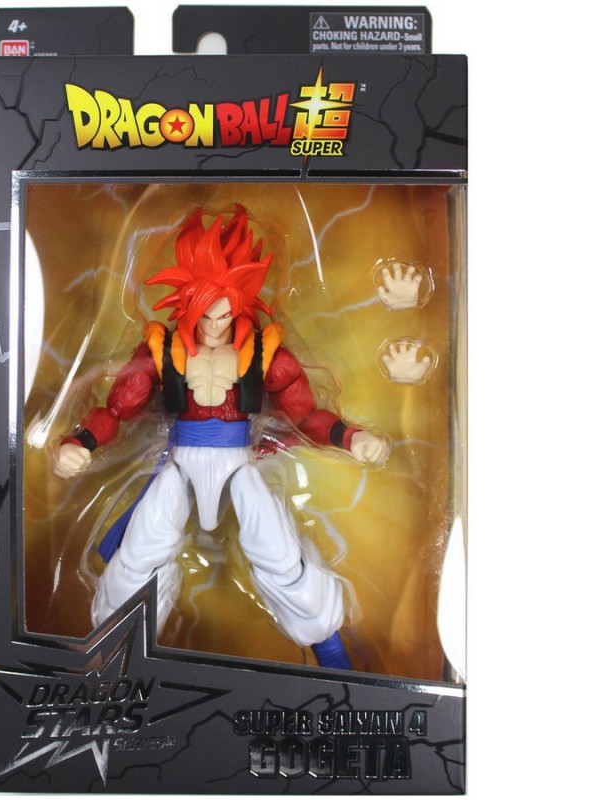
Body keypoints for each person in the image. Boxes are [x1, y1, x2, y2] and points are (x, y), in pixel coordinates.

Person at [54, 207, 389, 668]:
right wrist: (79, 444)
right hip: (180, 462)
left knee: (279, 554)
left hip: (239, 463)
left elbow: (306, 414)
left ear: (240, 307)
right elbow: (117, 410)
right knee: (138, 554)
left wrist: (351, 437)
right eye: (205, 315)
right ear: (188, 306)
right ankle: (118, 653)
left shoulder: (263, 353)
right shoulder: (162, 350)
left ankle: (331, 653)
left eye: (224, 315)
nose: (214, 325)